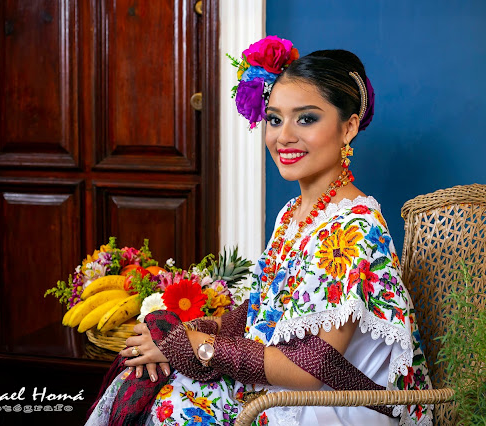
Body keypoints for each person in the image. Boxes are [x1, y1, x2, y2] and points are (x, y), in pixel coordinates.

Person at [86, 37, 432, 426]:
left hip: (338, 404)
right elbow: (263, 312)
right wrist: (187, 333)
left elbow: (311, 367)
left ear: (348, 127)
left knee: (176, 407)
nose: (283, 136)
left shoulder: (353, 227)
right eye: (274, 118)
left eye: (306, 118)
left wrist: (197, 346)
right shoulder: (294, 213)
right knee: (158, 386)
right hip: (289, 388)